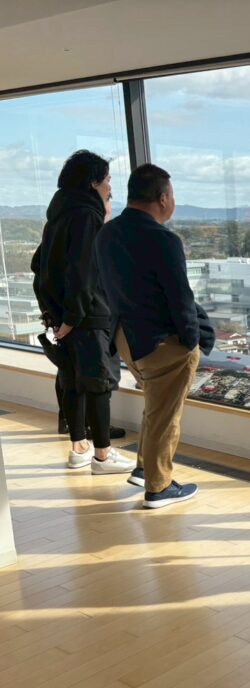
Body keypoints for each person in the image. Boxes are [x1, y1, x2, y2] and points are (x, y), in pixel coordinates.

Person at [95, 163, 201, 509]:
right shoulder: (164, 239)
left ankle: (144, 469)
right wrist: (192, 341)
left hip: (126, 337)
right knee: (166, 414)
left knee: (155, 404)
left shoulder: (106, 234)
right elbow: (180, 298)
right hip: (161, 341)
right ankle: (159, 486)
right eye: (172, 196)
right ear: (163, 198)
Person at [31, 150, 134, 475]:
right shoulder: (87, 216)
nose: (110, 186)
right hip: (88, 315)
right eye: (107, 180)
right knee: (98, 383)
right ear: (92, 182)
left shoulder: (58, 215)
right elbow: (84, 271)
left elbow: (38, 266)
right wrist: (73, 317)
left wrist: (55, 316)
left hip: (68, 317)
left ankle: (79, 449)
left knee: (73, 381)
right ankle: (103, 456)